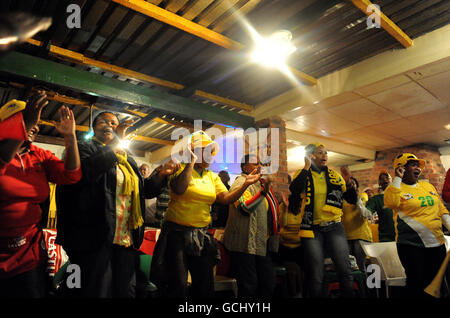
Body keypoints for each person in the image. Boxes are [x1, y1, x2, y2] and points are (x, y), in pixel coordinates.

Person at [55, 111, 179, 298]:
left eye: (114, 123)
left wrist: (161, 175)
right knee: (96, 290)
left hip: (125, 238)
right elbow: (84, 174)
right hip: (94, 237)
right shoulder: (84, 148)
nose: (110, 125)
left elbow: (143, 191)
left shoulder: (127, 159)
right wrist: (113, 145)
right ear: (93, 128)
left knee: (125, 291)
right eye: (103, 121)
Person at [151, 131, 261, 298]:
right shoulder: (179, 167)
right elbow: (179, 189)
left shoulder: (212, 177)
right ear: (194, 151)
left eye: (212, 152)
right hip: (176, 234)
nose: (211, 156)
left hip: (200, 235)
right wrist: (191, 161)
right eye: (207, 151)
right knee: (178, 284)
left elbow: (225, 199)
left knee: (204, 284)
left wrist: (245, 184)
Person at [0, 91, 81, 298]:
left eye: (33, 121)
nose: (34, 125)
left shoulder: (38, 154)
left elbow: (71, 176)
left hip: (28, 255)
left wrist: (70, 136)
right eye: (24, 119)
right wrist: (24, 125)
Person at [288, 143, 357, 298]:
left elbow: (351, 199)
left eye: (326, 153)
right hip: (312, 228)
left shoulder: (335, 176)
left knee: (345, 270)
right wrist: (306, 166)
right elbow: (295, 189)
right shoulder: (303, 173)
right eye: (320, 153)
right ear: (312, 156)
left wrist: (348, 181)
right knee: (316, 274)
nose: (325, 155)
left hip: (334, 226)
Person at [384, 153, 450, 297]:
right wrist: (397, 178)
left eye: (418, 165)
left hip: (437, 243)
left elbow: (440, 208)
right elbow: (391, 203)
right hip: (411, 245)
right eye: (413, 165)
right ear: (401, 168)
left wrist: (449, 224)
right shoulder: (395, 187)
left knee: (438, 284)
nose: (418, 168)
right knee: (417, 285)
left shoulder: (428, 186)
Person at [223, 154, 279, 297]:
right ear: (245, 167)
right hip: (244, 244)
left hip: (259, 244)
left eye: (260, 163)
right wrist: (263, 192)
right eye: (255, 163)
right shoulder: (240, 182)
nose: (259, 166)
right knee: (249, 286)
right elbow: (244, 208)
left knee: (267, 283)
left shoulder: (258, 184)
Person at [341, 176, 374, 297]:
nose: (352, 186)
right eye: (349, 185)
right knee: (349, 269)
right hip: (346, 238)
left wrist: (357, 198)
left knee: (361, 268)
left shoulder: (363, 197)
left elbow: (365, 214)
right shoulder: (342, 199)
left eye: (353, 184)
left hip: (361, 236)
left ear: (357, 186)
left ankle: (366, 293)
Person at [276, 191, 304, 298]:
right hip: (285, 247)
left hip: (299, 246)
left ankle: (300, 293)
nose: (301, 202)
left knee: (301, 269)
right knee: (293, 269)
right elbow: (283, 224)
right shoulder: (283, 206)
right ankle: (295, 294)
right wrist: (286, 208)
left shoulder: (303, 208)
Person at [366, 170, 396, 242]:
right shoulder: (376, 199)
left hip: (402, 237)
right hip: (386, 238)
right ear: (379, 183)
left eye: (387, 177)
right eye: (381, 179)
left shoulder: (398, 195)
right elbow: (367, 212)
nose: (385, 180)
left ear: (391, 180)